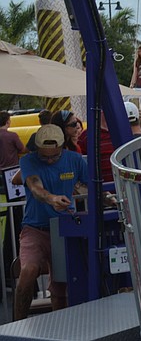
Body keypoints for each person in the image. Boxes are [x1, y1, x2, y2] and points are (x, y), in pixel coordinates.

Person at [14, 125, 87, 320]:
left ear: (62, 147)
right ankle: (16, 323)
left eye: (54, 156)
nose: (48, 160)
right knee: (28, 271)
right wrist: (52, 198)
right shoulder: (28, 160)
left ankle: (61, 326)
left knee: (61, 285)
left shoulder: (75, 160)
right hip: (34, 228)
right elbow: (35, 187)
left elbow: (92, 186)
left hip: (64, 227)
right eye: (44, 156)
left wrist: (108, 198)